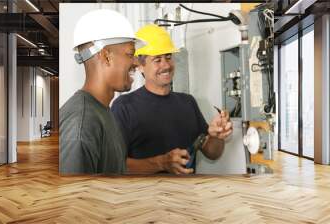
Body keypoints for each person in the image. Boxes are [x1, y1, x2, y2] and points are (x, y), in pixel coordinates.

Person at [111, 24, 233, 175]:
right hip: (144, 197)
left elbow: (212, 153)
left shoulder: (188, 103)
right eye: (157, 60)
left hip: (187, 196)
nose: (166, 65)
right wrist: (162, 163)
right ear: (140, 66)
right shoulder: (124, 107)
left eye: (168, 57)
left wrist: (216, 137)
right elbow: (115, 164)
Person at [59, 9, 144, 174]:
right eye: (130, 54)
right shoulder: (81, 125)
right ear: (106, 56)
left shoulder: (101, 111)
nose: (136, 62)